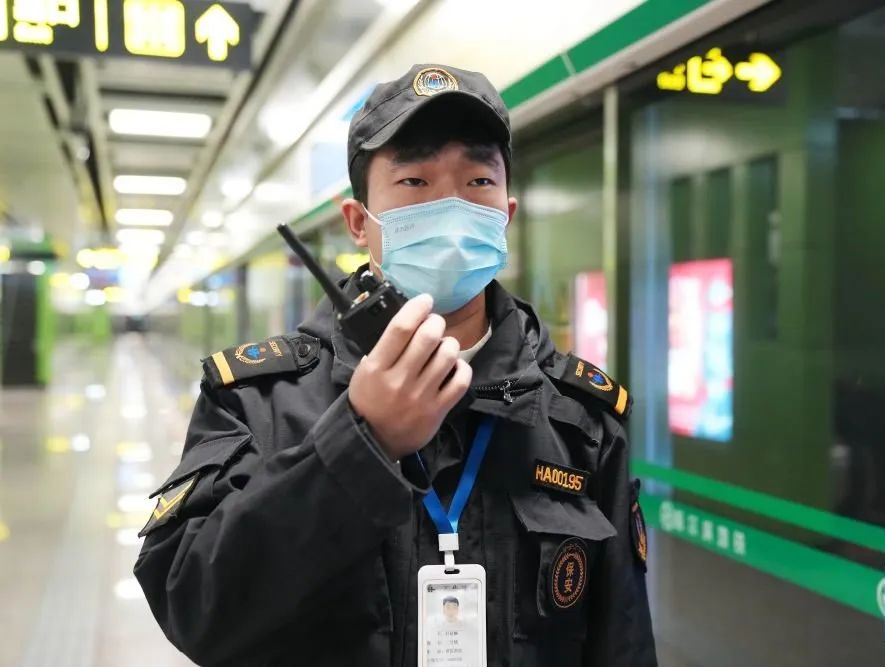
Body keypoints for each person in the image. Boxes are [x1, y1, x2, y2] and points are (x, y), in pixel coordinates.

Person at [134, 63, 657, 666]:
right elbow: (193, 607)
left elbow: (623, 642)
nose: (451, 205)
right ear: (359, 222)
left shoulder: (581, 419)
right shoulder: (257, 401)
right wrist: (361, 440)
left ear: (506, 215)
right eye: (414, 180)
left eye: (478, 180)